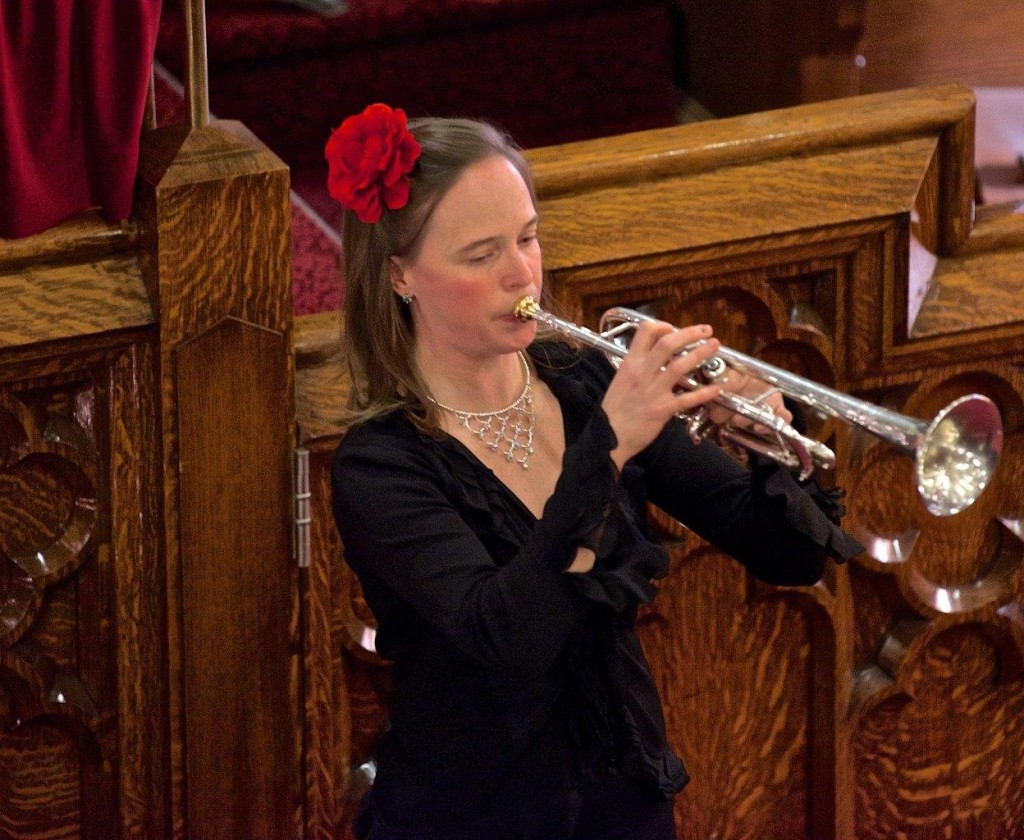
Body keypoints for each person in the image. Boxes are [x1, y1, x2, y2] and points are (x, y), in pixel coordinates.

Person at [326, 103, 862, 840]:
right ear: (400, 276)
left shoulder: (581, 383)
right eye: (481, 255)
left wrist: (769, 442)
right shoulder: (381, 466)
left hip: (624, 804)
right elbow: (509, 637)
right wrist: (610, 446)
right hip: (472, 817)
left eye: (529, 238)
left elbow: (794, 556)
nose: (522, 273)